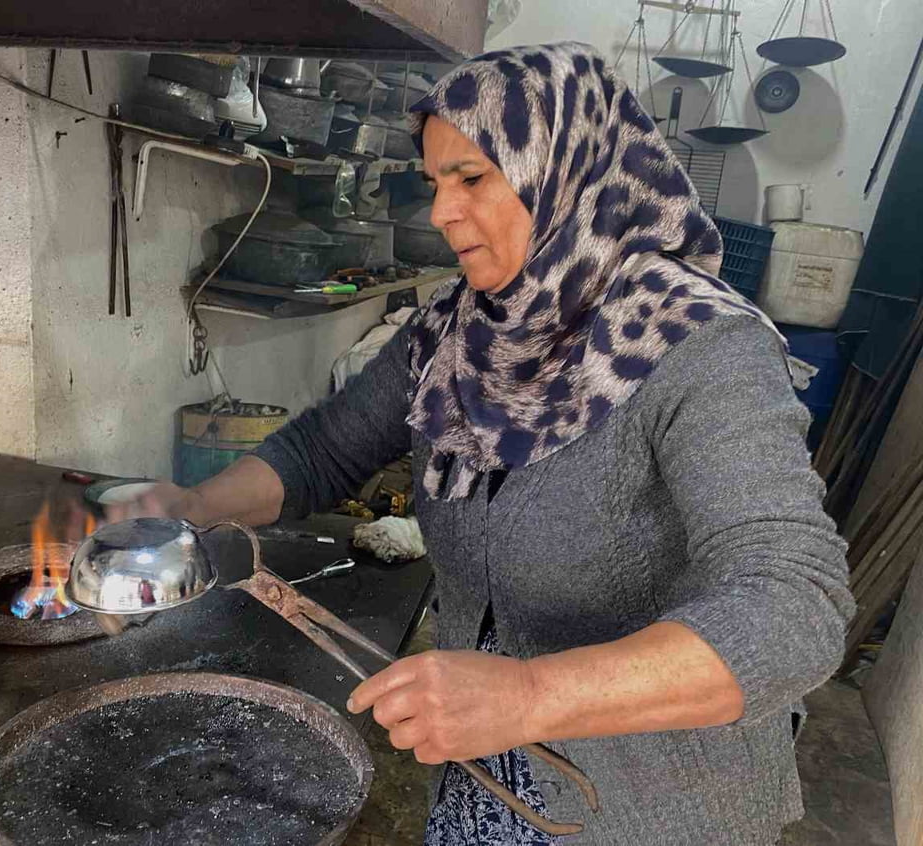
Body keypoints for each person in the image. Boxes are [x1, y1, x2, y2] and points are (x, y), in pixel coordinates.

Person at [113, 43, 852, 845]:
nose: (440, 212)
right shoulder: (460, 329)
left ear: (565, 172)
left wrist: (532, 693)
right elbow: (322, 451)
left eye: (471, 178)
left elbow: (794, 606)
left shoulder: (700, 346)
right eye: (435, 183)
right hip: (484, 774)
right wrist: (192, 506)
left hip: (654, 798)